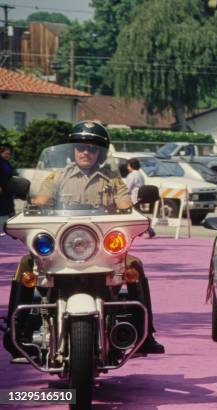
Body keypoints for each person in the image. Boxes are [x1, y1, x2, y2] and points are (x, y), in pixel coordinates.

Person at [4, 121, 164, 356]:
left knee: (134, 265)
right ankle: (14, 331)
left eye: (91, 148)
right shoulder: (58, 177)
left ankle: (146, 332)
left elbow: (124, 203)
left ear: (100, 153)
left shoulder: (112, 179)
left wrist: (130, 205)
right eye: (81, 147)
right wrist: (31, 199)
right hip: (63, 249)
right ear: (73, 150)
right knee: (26, 265)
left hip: (99, 251)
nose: (85, 152)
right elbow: (39, 200)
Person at [126, 158, 155, 238]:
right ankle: (142, 229)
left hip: (133, 197)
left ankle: (146, 227)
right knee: (137, 214)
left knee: (133, 214)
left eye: (128, 165)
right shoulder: (140, 174)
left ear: (131, 166)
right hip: (140, 197)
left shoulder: (132, 175)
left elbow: (128, 188)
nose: (127, 167)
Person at [0, 144, 17, 235]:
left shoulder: (6, 163)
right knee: (3, 209)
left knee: (9, 208)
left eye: (9, 154)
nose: (8, 155)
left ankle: (10, 229)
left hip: (8, 190)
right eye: (6, 154)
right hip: (2, 190)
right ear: (1, 153)